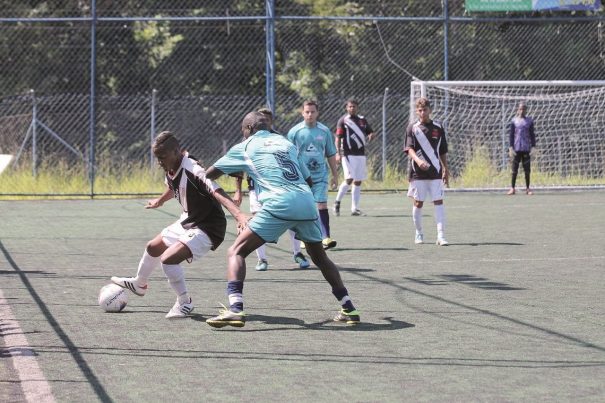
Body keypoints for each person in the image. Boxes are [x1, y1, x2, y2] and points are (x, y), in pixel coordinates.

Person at [203, 111, 360, 328]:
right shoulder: (285, 143)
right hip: (306, 200)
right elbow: (307, 179)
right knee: (320, 258)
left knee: (236, 251)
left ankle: (235, 309)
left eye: (243, 131)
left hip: (279, 202)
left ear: (248, 129)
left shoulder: (245, 146)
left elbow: (210, 174)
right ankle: (349, 308)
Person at [110, 131, 245, 318]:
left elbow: (216, 191)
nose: (159, 162)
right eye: (157, 158)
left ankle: (185, 302)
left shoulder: (193, 169)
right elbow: (172, 185)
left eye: (162, 157)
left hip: (208, 226)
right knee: (153, 247)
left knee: (168, 259)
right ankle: (140, 283)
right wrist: (160, 200)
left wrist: (239, 215)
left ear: (176, 151)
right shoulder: (170, 166)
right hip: (188, 220)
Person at [232, 108, 311, 270]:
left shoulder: (279, 139)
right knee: (257, 221)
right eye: (261, 120)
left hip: (281, 189)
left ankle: (298, 253)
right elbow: (238, 169)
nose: (264, 122)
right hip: (256, 189)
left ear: (271, 122)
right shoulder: (246, 141)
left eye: (267, 120)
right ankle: (262, 259)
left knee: (292, 220)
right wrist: (238, 190)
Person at [287, 99, 339, 250]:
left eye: (313, 112)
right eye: (307, 112)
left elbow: (330, 154)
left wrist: (335, 175)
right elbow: (288, 155)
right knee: (305, 207)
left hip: (321, 176)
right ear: (302, 113)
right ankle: (305, 238)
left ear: (318, 113)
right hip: (301, 177)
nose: (310, 114)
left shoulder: (324, 131)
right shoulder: (294, 132)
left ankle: (326, 237)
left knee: (321, 204)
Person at [404, 97, 449, 246]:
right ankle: (419, 232)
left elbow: (442, 150)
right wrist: (418, 161)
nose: (423, 112)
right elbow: (409, 149)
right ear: (417, 111)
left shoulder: (438, 127)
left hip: (435, 172)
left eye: (425, 110)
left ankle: (441, 236)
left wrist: (445, 169)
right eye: (420, 110)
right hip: (418, 173)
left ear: (430, 110)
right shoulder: (412, 128)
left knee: (438, 201)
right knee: (418, 203)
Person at [333, 98, 376, 216]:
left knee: (357, 181)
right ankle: (337, 202)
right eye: (350, 106)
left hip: (360, 154)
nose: (352, 108)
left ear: (357, 108)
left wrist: (371, 135)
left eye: (354, 106)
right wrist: (337, 153)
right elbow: (338, 138)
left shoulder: (362, 120)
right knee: (349, 178)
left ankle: (354, 209)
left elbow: (370, 132)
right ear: (346, 108)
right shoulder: (343, 120)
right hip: (347, 154)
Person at [507, 102, 536, 195]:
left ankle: (528, 188)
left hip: (526, 148)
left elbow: (532, 135)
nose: (522, 111)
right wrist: (511, 147)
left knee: (527, 170)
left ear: (526, 110)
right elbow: (511, 135)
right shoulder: (514, 121)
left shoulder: (529, 121)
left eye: (523, 109)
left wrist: (533, 147)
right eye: (520, 109)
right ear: (517, 110)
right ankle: (512, 188)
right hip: (516, 149)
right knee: (514, 170)